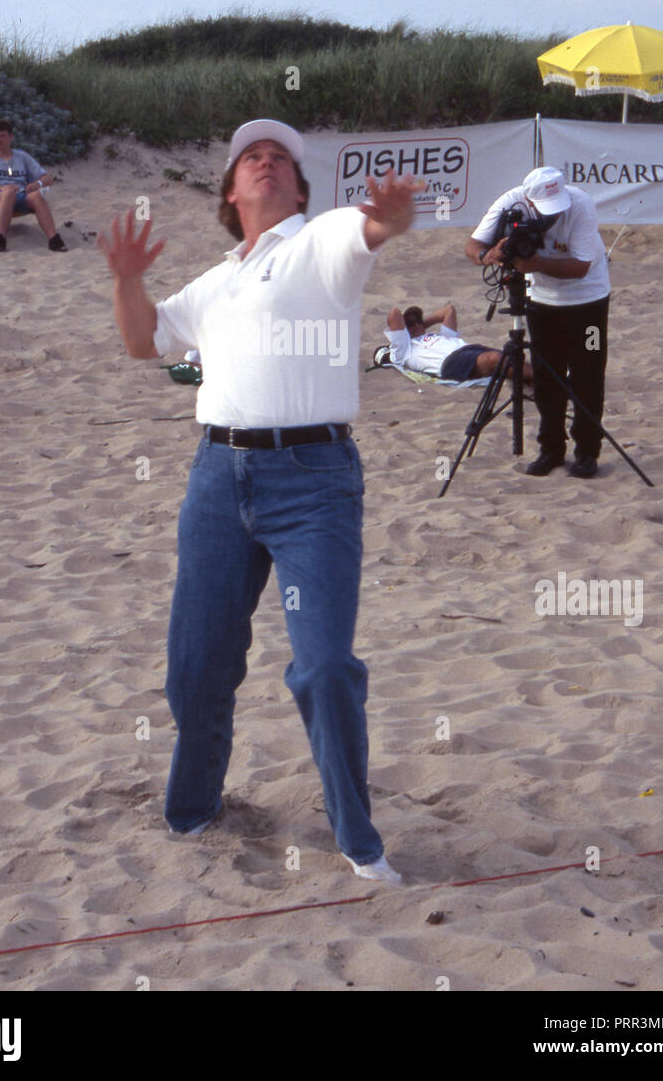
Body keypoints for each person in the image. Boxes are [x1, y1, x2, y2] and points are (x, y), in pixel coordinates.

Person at [98, 118, 420, 884]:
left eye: (281, 158)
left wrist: (393, 216)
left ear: (300, 188)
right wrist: (125, 278)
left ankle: (358, 841)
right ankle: (193, 810)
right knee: (196, 666)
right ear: (231, 190)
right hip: (216, 478)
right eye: (252, 157)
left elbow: (374, 227)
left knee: (324, 666)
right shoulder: (219, 279)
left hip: (313, 481)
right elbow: (144, 342)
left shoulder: (323, 240)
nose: (267, 163)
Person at [464, 166, 610, 478]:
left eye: (557, 209)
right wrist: (486, 256)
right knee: (546, 375)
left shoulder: (580, 204)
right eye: (546, 212)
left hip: (590, 299)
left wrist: (536, 263)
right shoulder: (510, 202)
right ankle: (551, 448)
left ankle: (587, 451)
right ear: (528, 202)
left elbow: (581, 267)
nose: (553, 217)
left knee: (589, 372)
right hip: (542, 301)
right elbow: (472, 246)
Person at [0, 118, 67, 252]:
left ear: (11, 137)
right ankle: (0, 239)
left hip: (21, 196)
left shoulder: (22, 157)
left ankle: (54, 239)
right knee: (9, 192)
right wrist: (2, 188)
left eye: (2, 136)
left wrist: (37, 183)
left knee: (36, 196)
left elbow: (48, 178)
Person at [384, 303, 533, 383]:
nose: (416, 325)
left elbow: (448, 310)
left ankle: (543, 380)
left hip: (468, 349)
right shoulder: (403, 349)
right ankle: (545, 379)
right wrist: (407, 333)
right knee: (496, 360)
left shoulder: (439, 336)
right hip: (449, 362)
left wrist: (420, 326)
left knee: (513, 358)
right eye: (410, 323)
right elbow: (394, 313)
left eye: (418, 321)